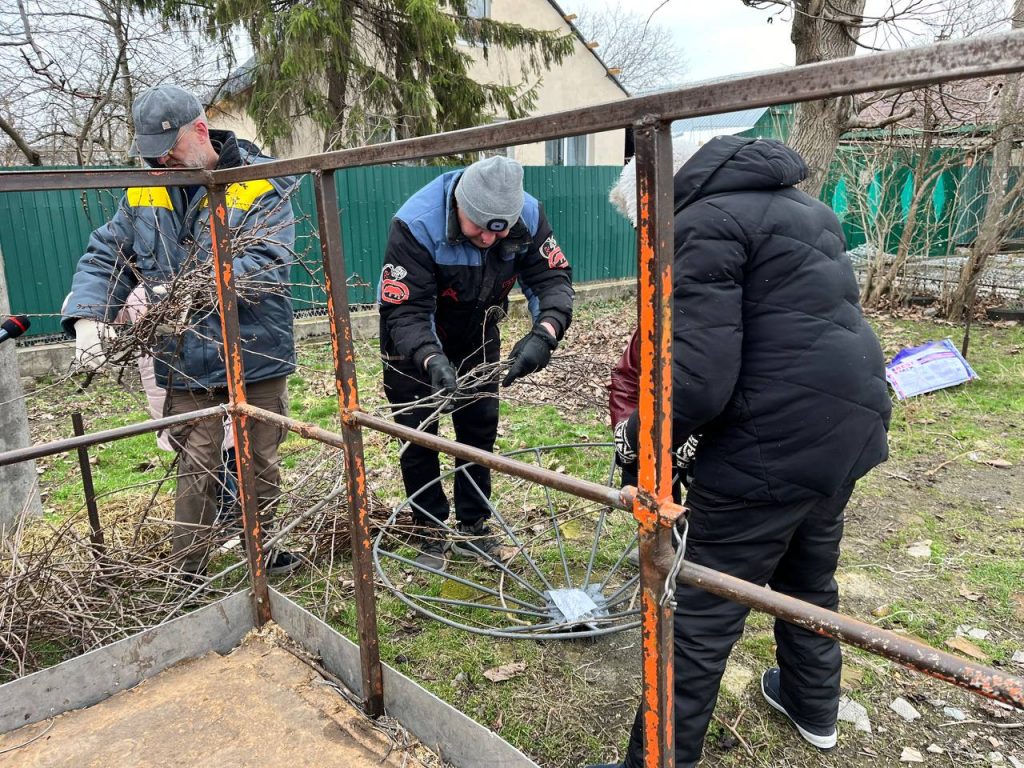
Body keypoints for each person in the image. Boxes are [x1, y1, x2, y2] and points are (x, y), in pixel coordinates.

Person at [589, 135, 891, 768]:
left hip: (770, 446)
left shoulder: (699, 222)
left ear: (655, 198)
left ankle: (656, 762)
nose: (649, 233)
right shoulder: (806, 208)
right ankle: (812, 707)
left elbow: (697, 377)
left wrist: (640, 440)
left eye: (645, 222)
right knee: (808, 575)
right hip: (846, 424)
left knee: (698, 611)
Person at [62, 83, 299, 580]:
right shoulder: (147, 188)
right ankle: (187, 572)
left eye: (168, 150)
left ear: (199, 129)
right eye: (152, 154)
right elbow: (109, 254)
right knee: (196, 466)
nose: (161, 162)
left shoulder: (260, 181)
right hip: (185, 353)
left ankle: (265, 550)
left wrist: (189, 288)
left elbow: (267, 262)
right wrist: (88, 317)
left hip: (255, 349)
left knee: (260, 461)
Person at [378, 155, 574, 570]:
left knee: (478, 429)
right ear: (459, 206)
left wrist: (546, 333)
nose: (487, 239)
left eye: (498, 230)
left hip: (478, 334)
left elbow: (552, 279)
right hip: (412, 343)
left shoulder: (530, 215)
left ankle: (474, 525)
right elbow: (406, 310)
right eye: (478, 226)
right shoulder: (416, 223)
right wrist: (431, 360)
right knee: (419, 435)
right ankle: (429, 528)